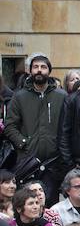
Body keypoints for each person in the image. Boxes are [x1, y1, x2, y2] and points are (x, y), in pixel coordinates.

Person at [3, 53, 66, 199]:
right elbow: (10, 126)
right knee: (28, 201)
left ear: (49, 71)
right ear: (30, 71)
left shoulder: (61, 96)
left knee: (49, 201)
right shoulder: (19, 96)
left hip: (53, 161)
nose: (39, 70)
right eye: (35, 67)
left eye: (43, 67)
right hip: (27, 160)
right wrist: (23, 143)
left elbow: (66, 127)